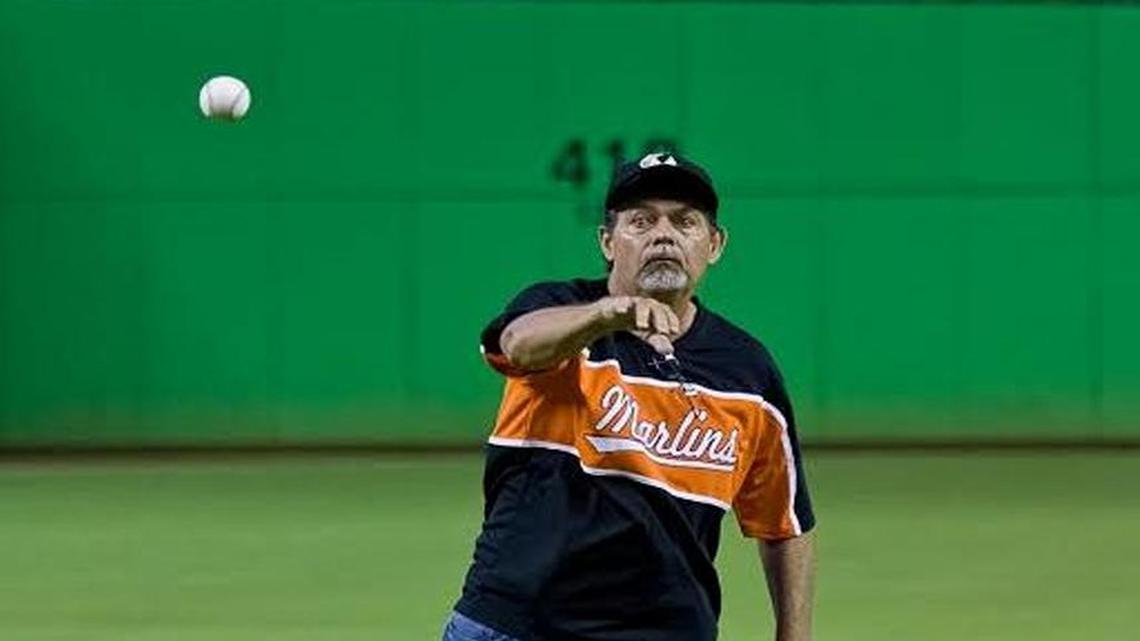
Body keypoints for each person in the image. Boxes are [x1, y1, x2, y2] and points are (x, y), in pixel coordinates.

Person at [443, 152, 816, 641]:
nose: (664, 234)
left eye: (685, 221)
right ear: (607, 242)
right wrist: (604, 315)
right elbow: (518, 343)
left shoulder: (746, 371)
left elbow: (783, 521)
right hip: (520, 626)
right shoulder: (560, 311)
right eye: (641, 221)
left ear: (715, 244)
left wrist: (795, 635)